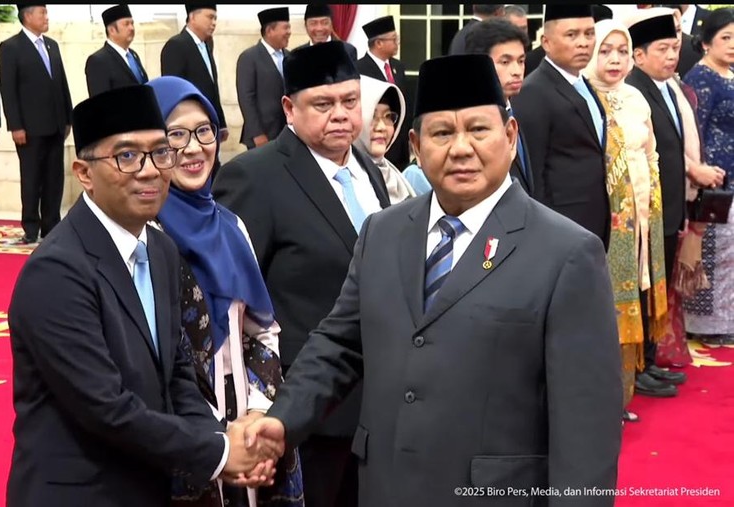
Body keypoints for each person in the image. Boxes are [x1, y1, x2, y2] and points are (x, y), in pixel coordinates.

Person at [244, 53, 623, 507]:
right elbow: (339, 344)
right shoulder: (383, 232)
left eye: (478, 130)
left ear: (510, 135)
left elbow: (586, 426)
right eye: (442, 133)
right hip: (385, 487)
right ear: (416, 147)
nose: (460, 148)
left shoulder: (566, 253)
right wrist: (282, 419)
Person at [6, 85, 278, 507]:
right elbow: (105, 408)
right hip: (83, 492)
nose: (150, 171)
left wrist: (221, 441)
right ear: (83, 173)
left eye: (160, 152)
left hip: (148, 484)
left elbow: (178, 374)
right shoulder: (56, 271)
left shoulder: (161, 248)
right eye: (127, 156)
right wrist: (222, 454)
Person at [213, 41, 390, 507]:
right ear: (290, 109)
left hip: (377, 403)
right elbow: (232, 303)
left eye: (350, 101)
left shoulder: (367, 169)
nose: (340, 115)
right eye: (323, 104)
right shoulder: (255, 176)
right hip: (301, 408)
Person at [147, 75, 304, 507]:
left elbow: (260, 329)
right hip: (182, 426)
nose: (193, 148)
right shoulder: (146, 236)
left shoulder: (231, 226)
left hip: (243, 415)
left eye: (204, 131)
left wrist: (257, 411)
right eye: (176, 135)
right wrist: (218, 433)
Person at [583, 19, 669, 421]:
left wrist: (648, 207)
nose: (614, 59)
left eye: (621, 51)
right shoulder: (584, 98)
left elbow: (651, 153)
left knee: (632, 297)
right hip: (604, 220)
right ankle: (598, 400)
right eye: (605, 51)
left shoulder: (635, 97)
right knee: (603, 307)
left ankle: (622, 395)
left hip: (641, 218)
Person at [625, 10, 694, 396]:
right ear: (639, 55)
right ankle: (637, 367)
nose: (671, 56)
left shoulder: (669, 87)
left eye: (675, 48)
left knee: (657, 291)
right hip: (646, 211)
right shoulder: (633, 90)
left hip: (668, 208)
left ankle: (650, 360)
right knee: (642, 291)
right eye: (663, 49)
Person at [513, 4, 611, 250]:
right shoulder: (534, 91)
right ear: (546, 42)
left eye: (589, 34)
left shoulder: (584, 84)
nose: (583, 43)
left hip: (593, 219)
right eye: (571, 35)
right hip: (560, 225)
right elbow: (532, 173)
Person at [0, 4, 73, 244]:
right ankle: (31, 227)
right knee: (32, 179)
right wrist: (15, 126)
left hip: (56, 125)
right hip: (29, 129)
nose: (46, 17)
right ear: (28, 16)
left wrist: (68, 117)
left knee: (54, 179)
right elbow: (8, 90)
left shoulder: (52, 45)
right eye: (42, 13)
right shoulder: (11, 47)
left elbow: (61, 83)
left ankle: (52, 225)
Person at [683, 7, 734, 344]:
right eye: (726, 38)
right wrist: (698, 171)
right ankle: (706, 325)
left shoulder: (731, 74)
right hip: (713, 181)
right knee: (711, 254)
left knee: (730, 255)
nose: (732, 44)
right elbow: (694, 133)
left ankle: (726, 320)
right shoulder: (700, 78)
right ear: (706, 42)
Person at [465, 18, 534, 194]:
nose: (517, 71)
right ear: (479, 64)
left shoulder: (516, 109)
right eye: (505, 62)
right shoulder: (469, 120)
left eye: (521, 61)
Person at [161, 4, 228, 144]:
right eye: (210, 17)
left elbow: (212, 87)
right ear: (192, 17)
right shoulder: (176, 45)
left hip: (210, 123)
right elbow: (174, 91)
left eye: (215, 18)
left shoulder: (207, 45)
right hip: (189, 126)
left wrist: (221, 123)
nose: (214, 23)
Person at [357, 16, 410, 171]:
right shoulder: (359, 69)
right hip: (373, 145)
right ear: (379, 43)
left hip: (398, 144)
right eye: (393, 39)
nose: (397, 43)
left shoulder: (398, 67)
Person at [235, 7, 291, 150]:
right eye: (285, 28)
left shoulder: (289, 56)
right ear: (269, 31)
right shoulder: (249, 57)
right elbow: (246, 98)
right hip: (263, 135)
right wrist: (257, 133)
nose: (289, 32)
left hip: (288, 132)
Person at [354, 76, 415, 204]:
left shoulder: (394, 177)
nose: (381, 127)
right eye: (372, 116)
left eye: (388, 116)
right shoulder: (347, 180)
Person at [84, 4, 149, 97]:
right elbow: (100, 100)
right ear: (112, 30)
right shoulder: (98, 61)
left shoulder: (133, 55)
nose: (131, 28)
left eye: (132, 23)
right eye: (126, 24)